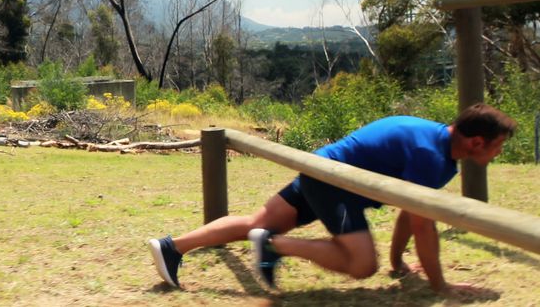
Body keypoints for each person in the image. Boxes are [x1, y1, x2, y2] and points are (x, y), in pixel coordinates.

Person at [147, 103, 516, 296]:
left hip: (320, 168)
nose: (498, 153)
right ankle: (274, 247)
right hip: (334, 182)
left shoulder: (438, 142)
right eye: (498, 146)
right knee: (360, 265)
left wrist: (399, 263)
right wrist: (441, 286)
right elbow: (422, 222)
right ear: (477, 142)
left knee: (255, 223)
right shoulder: (432, 156)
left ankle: (171, 247)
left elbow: (413, 211)